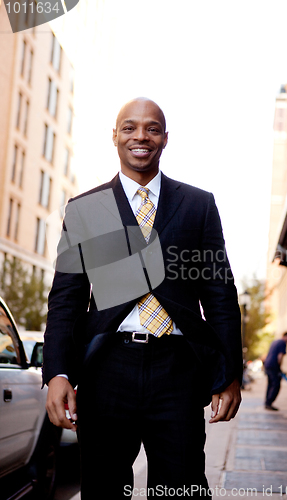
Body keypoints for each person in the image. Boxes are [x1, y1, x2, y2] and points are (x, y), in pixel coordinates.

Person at [43, 97, 243, 499]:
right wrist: (58, 373)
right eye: (130, 127)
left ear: (165, 139)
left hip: (178, 371)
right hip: (106, 371)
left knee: (181, 489)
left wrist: (229, 373)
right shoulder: (86, 209)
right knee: (103, 490)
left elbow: (219, 294)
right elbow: (66, 300)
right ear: (114, 136)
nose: (141, 136)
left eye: (152, 128)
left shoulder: (198, 205)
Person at [264, 332, 287, 411]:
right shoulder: (283, 343)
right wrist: (279, 367)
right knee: (276, 384)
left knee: (270, 384)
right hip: (274, 366)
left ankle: (267, 402)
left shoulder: (274, 342)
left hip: (268, 365)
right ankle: (269, 402)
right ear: (285, 337)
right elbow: (280, 356)